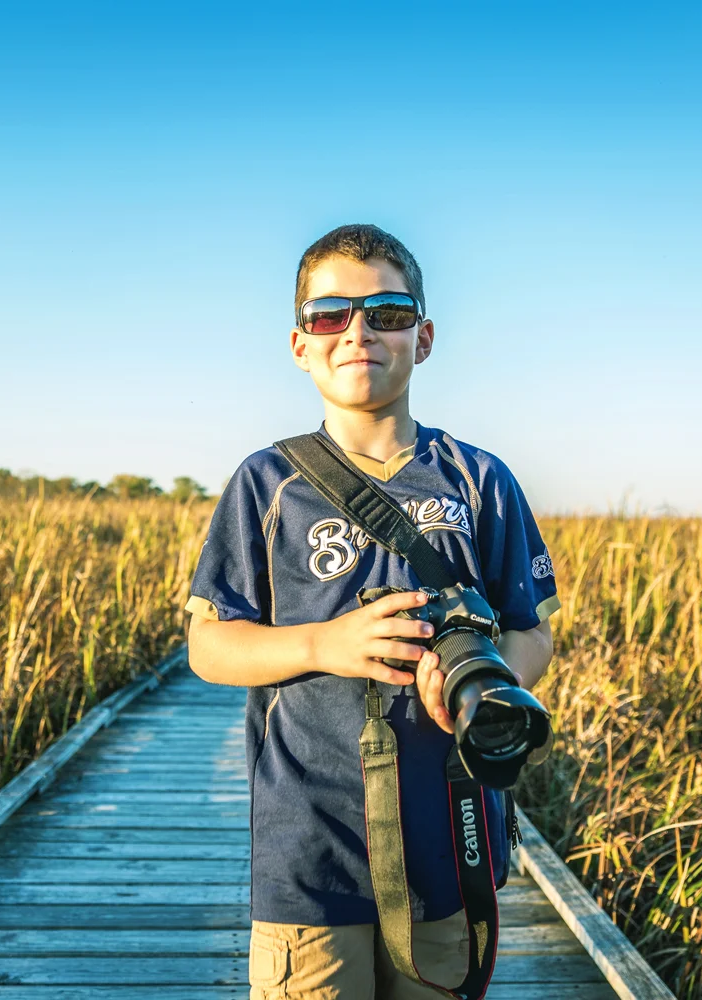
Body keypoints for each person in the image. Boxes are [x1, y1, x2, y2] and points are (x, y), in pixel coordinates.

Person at [185, 224, 560, 1000]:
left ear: (423, 337)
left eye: (387, 312)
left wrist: (488, 678)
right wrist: (324, 643)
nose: (357, 331)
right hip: (312, 848)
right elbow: (208, 644)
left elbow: (532, 630)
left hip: (451, 831)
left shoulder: (479, 479)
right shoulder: (267, 482)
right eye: (330, 315)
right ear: (301, 345)